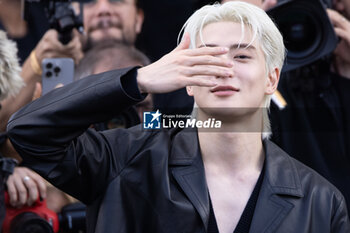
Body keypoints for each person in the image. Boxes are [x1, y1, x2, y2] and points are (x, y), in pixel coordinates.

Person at [6, 2, 350, 233]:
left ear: (272, 79)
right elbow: (26, 132)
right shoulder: (125, 159)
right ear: (184, 80)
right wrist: (138, 80)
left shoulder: (322, 201)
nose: (224, 69)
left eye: (242, 56)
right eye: (207, 57)